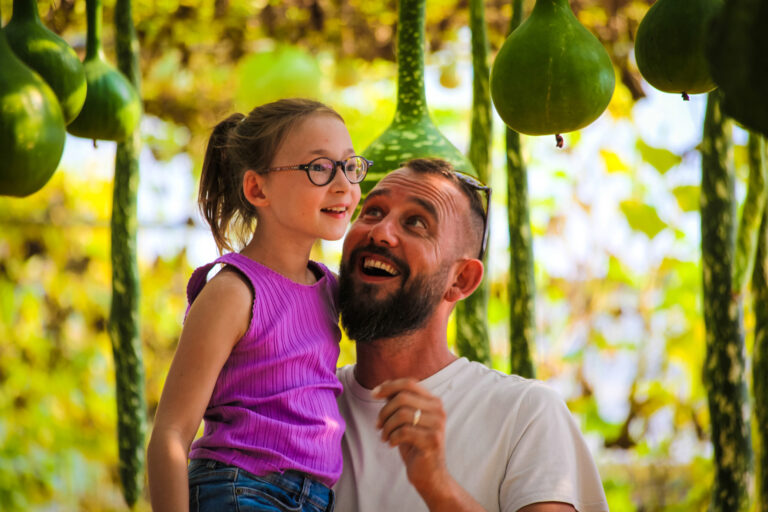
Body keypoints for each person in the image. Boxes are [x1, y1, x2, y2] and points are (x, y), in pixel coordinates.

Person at [334, 158, 609, 512]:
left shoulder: (525, 414)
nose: (380, 231)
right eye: (371, 211)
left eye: (416, 223)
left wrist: (437, 486)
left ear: (461, 280)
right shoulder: (301, 404)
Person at [147, 98, 371, 512]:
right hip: (238, 489)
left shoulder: (330, 289)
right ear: (257, 188)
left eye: (350, 165)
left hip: (313, 501)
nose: (344, 185)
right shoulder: (234, 292)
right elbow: (171, 434)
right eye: (319, 167)